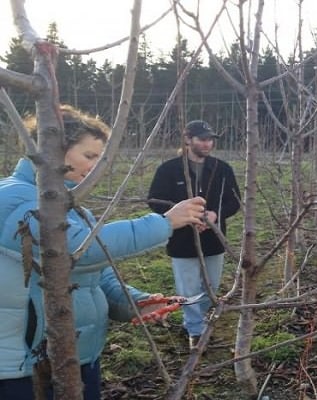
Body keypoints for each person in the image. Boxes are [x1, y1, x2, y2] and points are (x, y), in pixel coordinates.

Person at [0, 105, 207, 400]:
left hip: (77, 354)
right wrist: (165, 223)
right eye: (89, 156)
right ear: (52, 150)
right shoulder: (12, 197)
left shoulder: (74, 208)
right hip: (24, 366)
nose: (96, 166)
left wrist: (135, 302)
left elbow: (96, 272)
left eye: (100, 157)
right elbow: (77, 250)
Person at [148, 120, 241, 349]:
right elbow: (155, 200)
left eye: (210, 139)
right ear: (187, 139)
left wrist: (215, 215)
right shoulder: (168, 170)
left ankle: (195, 317)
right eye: (202, 139)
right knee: (188, 288)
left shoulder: (222, 169)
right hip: (182, 239)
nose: (207, 144)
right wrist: (183, 217)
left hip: (213, 238)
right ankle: (195, 330)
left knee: (212, 286)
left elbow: (234, 201)